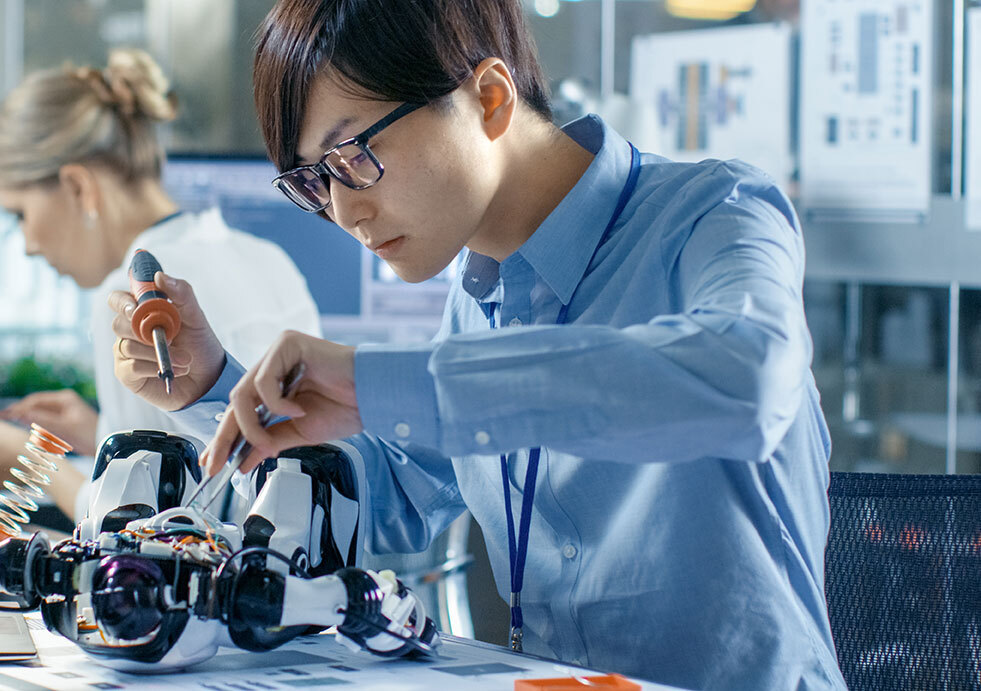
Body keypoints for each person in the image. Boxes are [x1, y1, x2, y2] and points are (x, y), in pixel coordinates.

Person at [107, 2, 846, 689]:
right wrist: (212, 383)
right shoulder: (480, 293)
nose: (344, 210)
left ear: (489, 99)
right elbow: (398, 496)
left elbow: (741, 377)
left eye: (355, 154)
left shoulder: (713, 211)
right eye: (316, 181)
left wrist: (382, 382)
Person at [0, 48, 322, 519]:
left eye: (21, 214)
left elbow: (130, 525)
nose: (27, 245)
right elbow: (235, 443)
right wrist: (101, 431)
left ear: (78, 187)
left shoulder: (134, 302)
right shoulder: (265, 258)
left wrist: (32, 463)